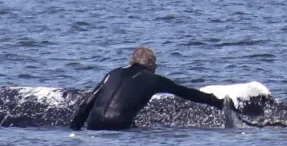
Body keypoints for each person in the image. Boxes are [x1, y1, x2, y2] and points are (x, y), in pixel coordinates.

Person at [70, 47, 226, 131]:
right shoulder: (153, 79)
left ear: (132, 61)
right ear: (151, 65)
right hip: (118, 127)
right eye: (155, 65)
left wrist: (74, 129)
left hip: (93, 124)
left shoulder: (113, 73)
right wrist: (217, 102)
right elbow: (185, 92)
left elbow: (87, 102)